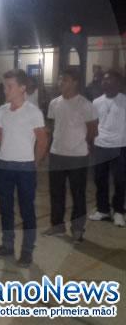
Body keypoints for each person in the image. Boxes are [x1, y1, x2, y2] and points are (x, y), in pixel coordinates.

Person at [0, 69, 48, 267]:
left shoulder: (33, 112)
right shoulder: (3, 110)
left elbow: (42, 141)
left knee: (27, 210)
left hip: (25, 168)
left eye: (9, 86)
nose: (5, 90)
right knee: (5, 209)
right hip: (4, 166)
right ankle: (7, 245)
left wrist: (33, 163)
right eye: (5, 86)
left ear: (22, 88)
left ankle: (27, 250)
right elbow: (0, 135)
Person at [44, 68, 98, 243]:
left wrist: (85, 146)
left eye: (65, 79)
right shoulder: (54, 103)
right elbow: (53, 127)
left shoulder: (86, 105)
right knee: (56, 192)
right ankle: (57, 225)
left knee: (78, 193)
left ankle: (77, 228)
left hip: (77, 156)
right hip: (57, 154)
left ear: (75, 82)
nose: (61, 83)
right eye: (60, 79)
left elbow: (92, 130)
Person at [90, 70, 126, 227]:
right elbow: (93, 125)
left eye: (109, 80)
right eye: (104, 80)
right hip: (100, 146)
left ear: (118, 83)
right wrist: (91, 143)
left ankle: (118, 211)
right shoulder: (96, 102)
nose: (105, 83)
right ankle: (103, 210)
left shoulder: (124, 101)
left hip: (120, 146)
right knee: (100, 180)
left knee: (120, 181)